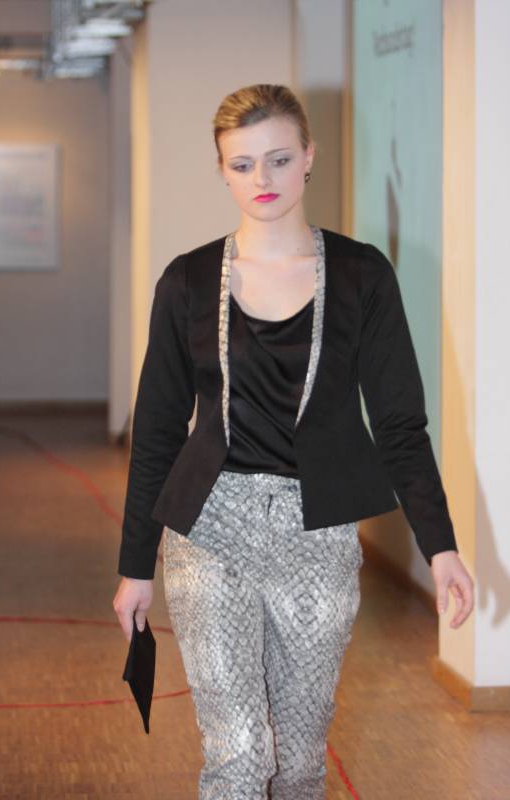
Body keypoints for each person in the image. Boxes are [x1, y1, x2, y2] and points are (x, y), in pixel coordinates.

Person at [113, 83, 474, 799]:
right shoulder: (186, 281)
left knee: (300, 760)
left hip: (318, 537)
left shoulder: (363, 275)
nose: (263, 179)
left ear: (308, 156)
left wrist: (440, 547)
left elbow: (399, 423)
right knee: (240, 754)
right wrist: (134, 567)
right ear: (222, 170)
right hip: (208, 532)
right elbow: (156, 429)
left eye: (278, 159)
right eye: (242, 164)